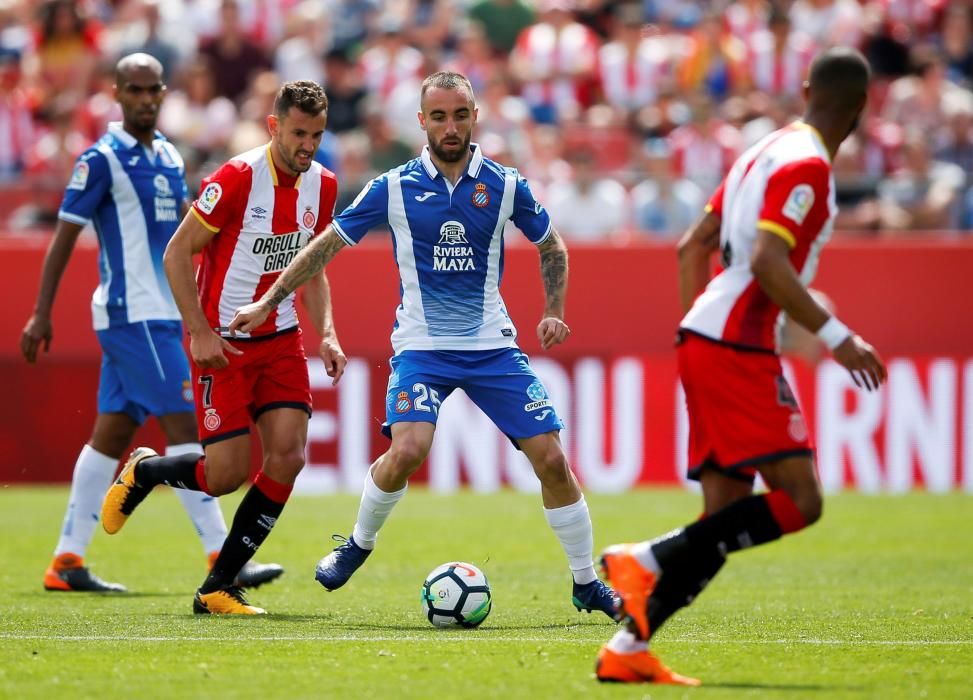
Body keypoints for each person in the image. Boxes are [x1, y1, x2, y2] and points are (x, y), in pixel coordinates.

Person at [230, 71, 619, 619]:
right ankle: (358, 544)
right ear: (422, 122)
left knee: (553, 460)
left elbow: (551, 244)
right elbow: (327, 246)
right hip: (422, 348)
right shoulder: (393, 186)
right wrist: (269, 300)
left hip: (492, 347)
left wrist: (554, 311)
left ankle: (585, 582)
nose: (450, 126)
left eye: (460, 115)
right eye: (439, 116)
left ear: (474, 116)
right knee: (408, 450)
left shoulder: (505, 184)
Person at [595, 47, 888, 685]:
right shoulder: (808, 166)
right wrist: (839, 338)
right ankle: (643, 557)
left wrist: (691, 332)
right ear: (861, 110)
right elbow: (767, 264)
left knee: (726, 512)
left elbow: (689, 247)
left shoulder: (763, 150)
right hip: (738, 341)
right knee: (802, 499)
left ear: (806, 86)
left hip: (707, 335)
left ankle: (628, 649)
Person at [20, 53, 283, 594]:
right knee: (190, 429)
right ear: (116, 93)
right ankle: (223, 558)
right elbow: (66, 233)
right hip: (132, 313)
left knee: (111, 433)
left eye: (152, 90)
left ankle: (66, 560)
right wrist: (42, 311)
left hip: (165, 314)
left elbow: (192, 235)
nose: (144, 99)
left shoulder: (167, 155)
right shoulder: (102, 160)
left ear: (164, 92)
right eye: (134, 90)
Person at [100, 80, 344, 615]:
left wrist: (325, 331)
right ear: (274, 125)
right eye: (299, 133)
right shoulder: (236, 178)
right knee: (226, 475)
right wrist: (198, 330)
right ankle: (146, 470)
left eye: (317, 135)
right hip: (223, 346)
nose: (308, 145)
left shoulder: (323, 185)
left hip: (279, 338)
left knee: (289, 455)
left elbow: (313, 268)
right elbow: (177, 252)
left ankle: (218, 585)